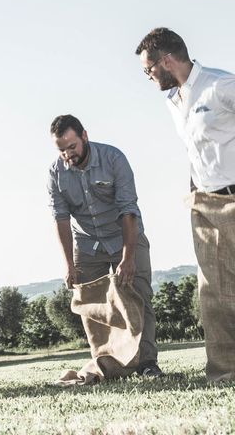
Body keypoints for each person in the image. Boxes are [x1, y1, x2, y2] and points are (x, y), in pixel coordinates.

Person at [135, 27, 235, 380]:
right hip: (205, 206)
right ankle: (225, 370)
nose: (148, 77)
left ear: (166, 60)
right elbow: (195, 153)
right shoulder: (173, 102)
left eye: (149, 69)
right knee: (215, 293)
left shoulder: (221, 86)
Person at [47, 114, 162, 377]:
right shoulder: (55, 173)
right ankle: (108, 366)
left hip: (125, 236)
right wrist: (68, 265)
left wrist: (128, 257)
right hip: (87, 245)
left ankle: (147, 364)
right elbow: (61, 219)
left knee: (139, 298)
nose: (68, 154)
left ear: (84, 136)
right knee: (94, 307)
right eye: (61, 149)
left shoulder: (113, 159)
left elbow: (128, 210)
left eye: (72, 146)